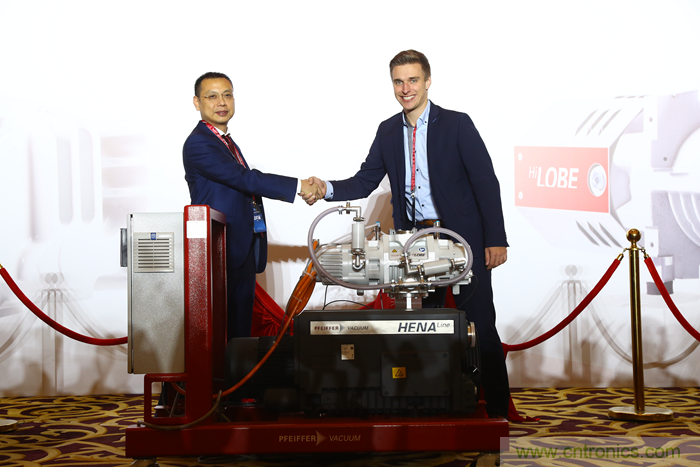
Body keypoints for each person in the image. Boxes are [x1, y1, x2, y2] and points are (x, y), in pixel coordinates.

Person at [305, 50, 510, 418]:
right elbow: (365, 180)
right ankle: (435, 406)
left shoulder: (457, 124)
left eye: (413, 80)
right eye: (398, 82)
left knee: (480, 325)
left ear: (427, 81)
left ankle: (496, 412)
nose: (405, 88)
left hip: (463, 240)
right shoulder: (387, 130)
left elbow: (485, 183)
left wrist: (495, 238)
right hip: (416, 243)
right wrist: (326, 189)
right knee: (426, 327)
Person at [183, 72, 321, 339]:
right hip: (219, 250)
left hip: (240, 246)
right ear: (197, 102)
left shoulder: (225, 141)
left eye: (227, 95)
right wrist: (298, 186)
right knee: (221, 334)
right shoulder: (199, 143)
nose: (221, 102)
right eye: (212, 96)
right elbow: (244, 178)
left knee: (240, 332)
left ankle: (239, 368)